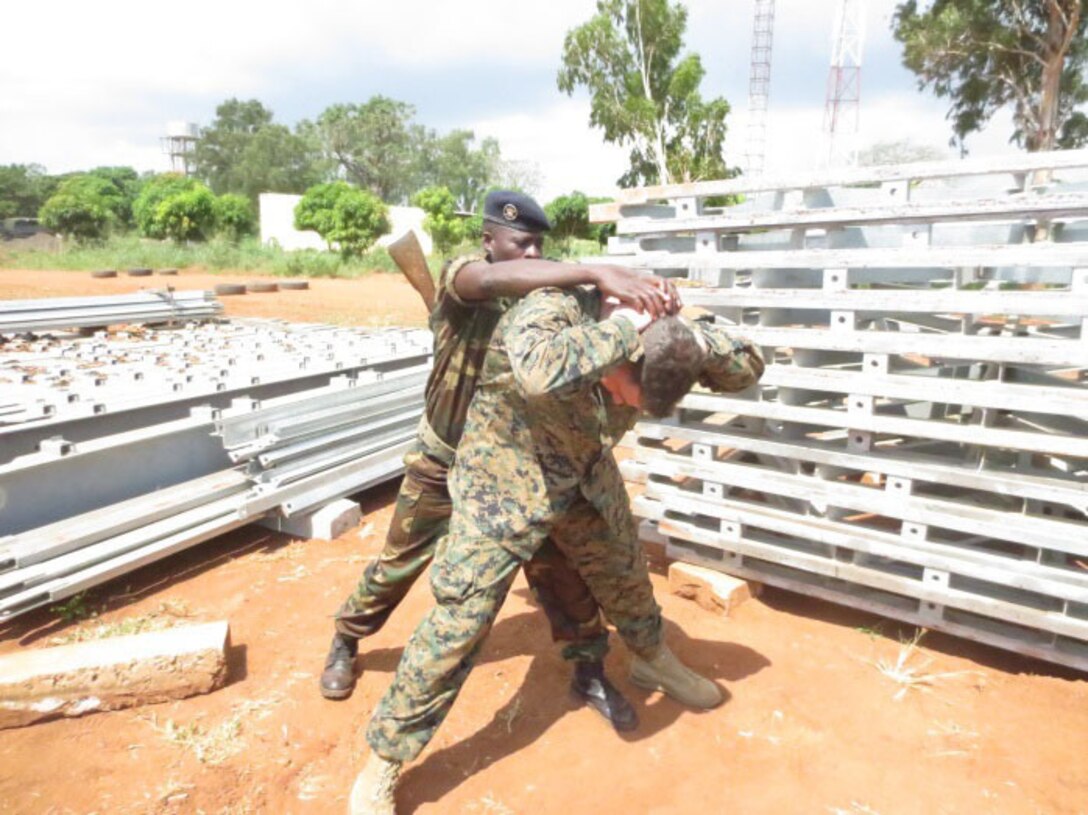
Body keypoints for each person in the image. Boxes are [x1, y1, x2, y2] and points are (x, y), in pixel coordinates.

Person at [349, 283, 765, 814]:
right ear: (623, 347)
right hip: (503, 481)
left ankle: (651, 660)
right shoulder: (552, 309)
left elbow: (752, 364)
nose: (619, 403)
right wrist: (622, 329)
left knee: (626, 577)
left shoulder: (660, 337)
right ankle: (384, 759)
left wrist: (692, 337)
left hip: (584, 477)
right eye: (620, 392)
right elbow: (537, 370)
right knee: (460, 618)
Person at [319, 190, 678, 733]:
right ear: (489, 240)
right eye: (521, 243)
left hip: (515, 471)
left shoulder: (545, 301)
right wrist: (592, 269)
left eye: (540, 245)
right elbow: (485, 283)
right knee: (400, 563)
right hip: (445, 459)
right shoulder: (465, 277)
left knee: (563, 572)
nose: (533, 254)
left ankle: (588, 670)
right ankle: (348, 637)